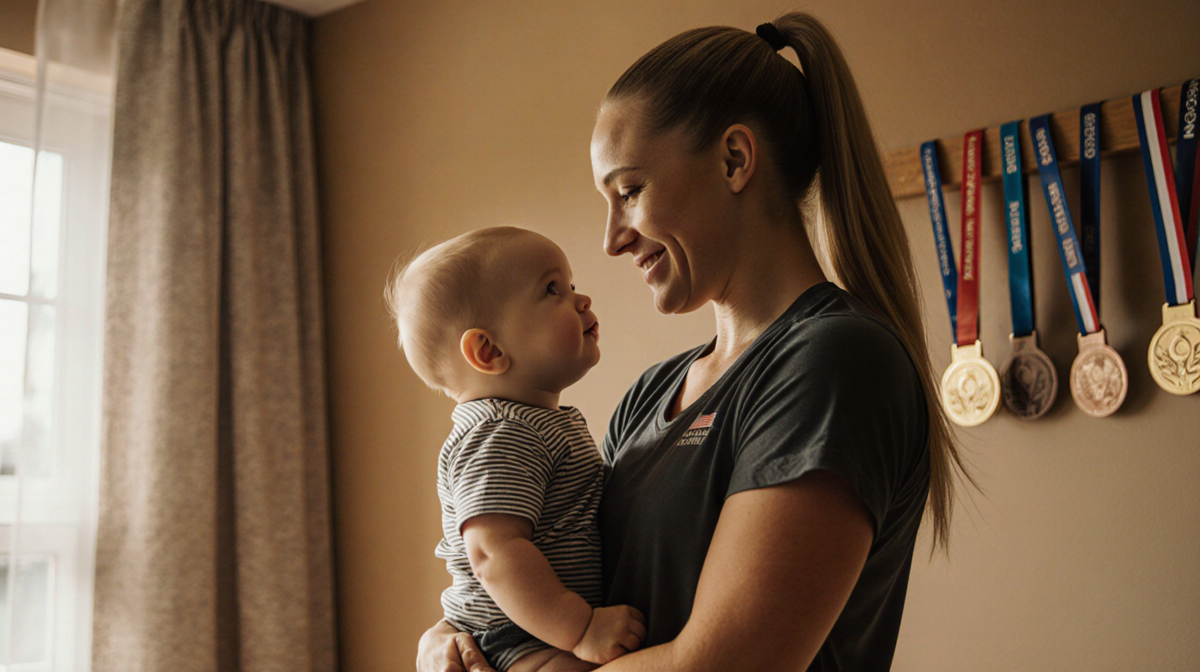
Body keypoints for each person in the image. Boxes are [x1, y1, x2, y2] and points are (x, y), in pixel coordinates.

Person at [418, 12, 967, 672]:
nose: (612, 239)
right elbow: (555, 583)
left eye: (630, 191)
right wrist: (448, 639)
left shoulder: (834, 362)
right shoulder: (648, 398)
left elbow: (722, 665)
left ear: (734, 160)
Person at [389, 227, 647, 672]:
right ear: (488, 350)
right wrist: (581, 628)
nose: (581, 299)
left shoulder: (529, 423)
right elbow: (493, 553)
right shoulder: (501, 432)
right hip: (514, 640)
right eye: (552, 289)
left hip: (535, 631)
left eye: (570, 284)